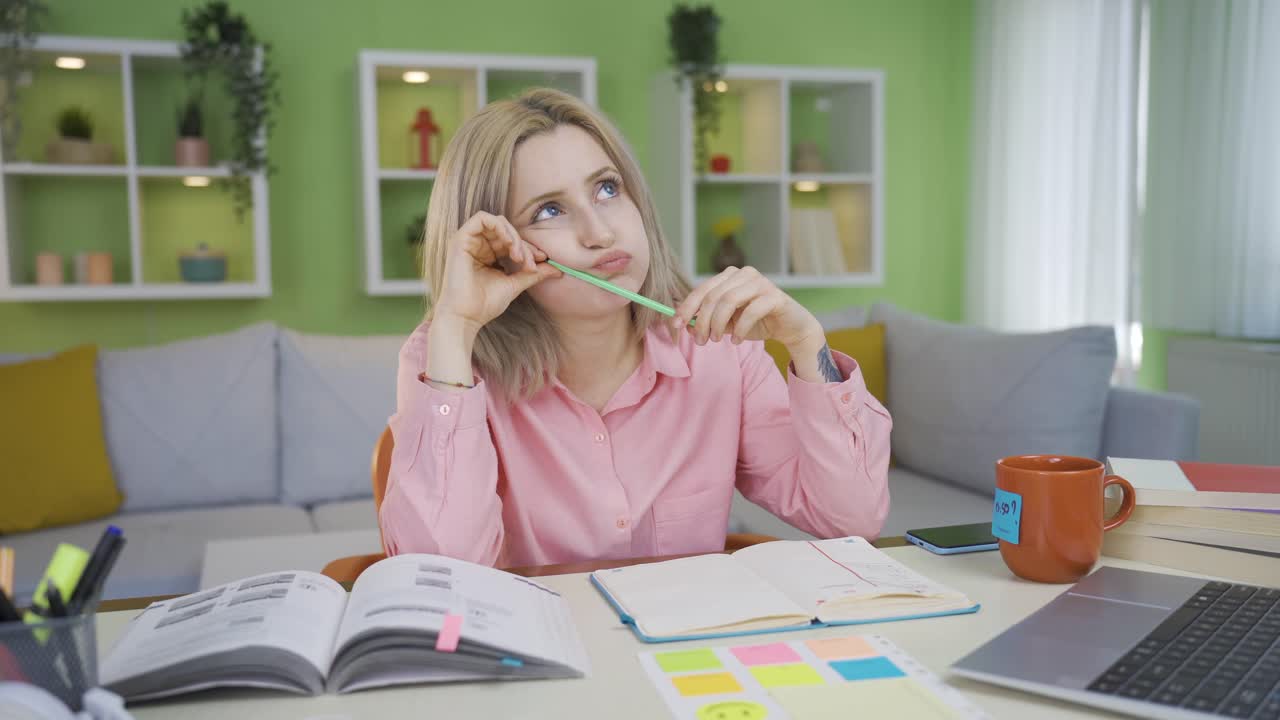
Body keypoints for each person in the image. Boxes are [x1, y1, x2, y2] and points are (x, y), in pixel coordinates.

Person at [381, 88, 891, 568]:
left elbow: (851, 519)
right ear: (498, 248)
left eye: (607, 189)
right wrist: (455, 328)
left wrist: (807, 344)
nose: (600, 233)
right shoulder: (444, 356)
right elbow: (440, 574)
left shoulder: (719, 351)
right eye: (550, 209)